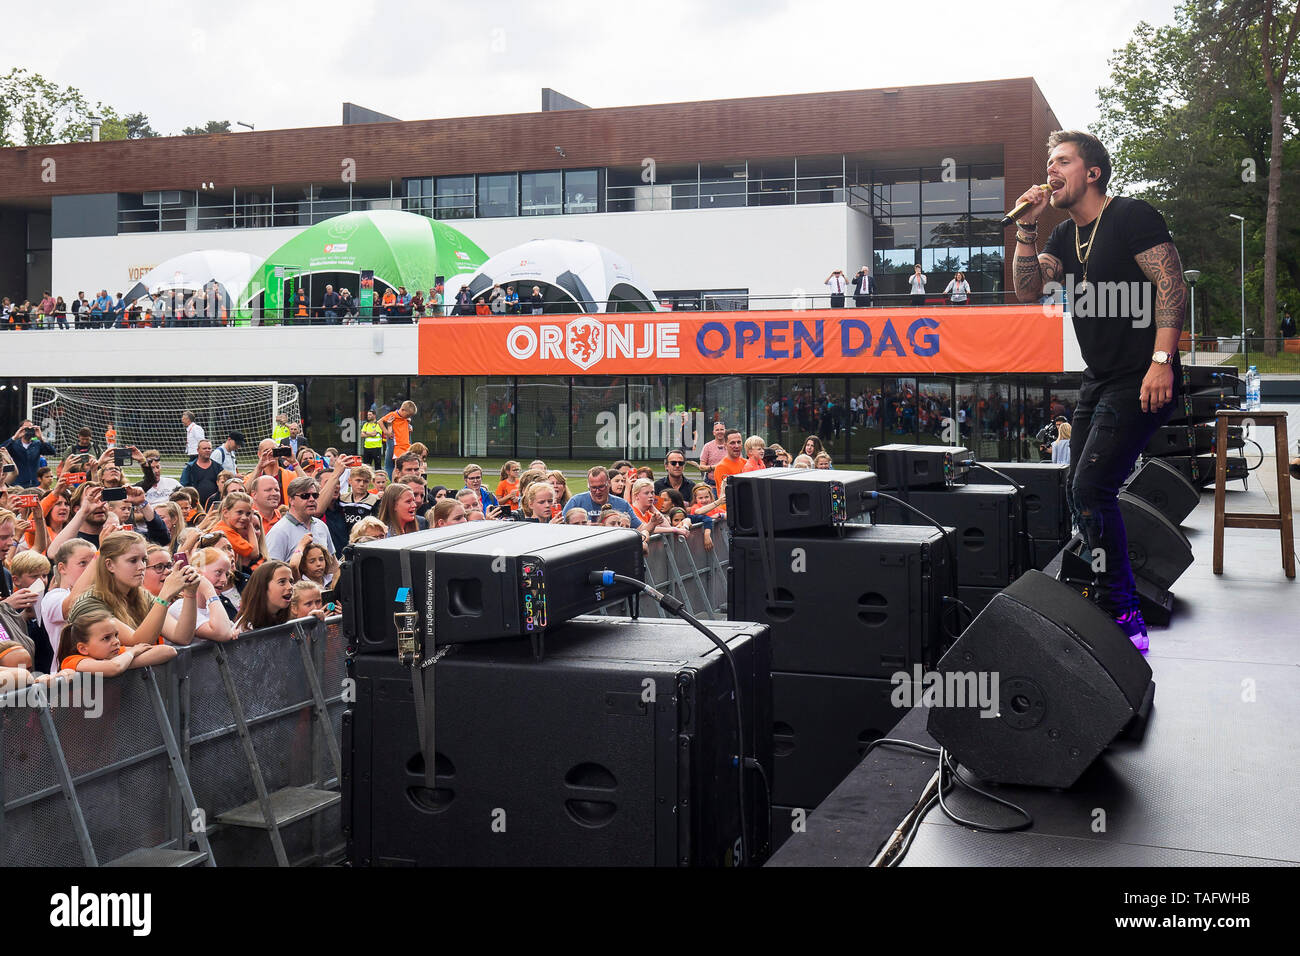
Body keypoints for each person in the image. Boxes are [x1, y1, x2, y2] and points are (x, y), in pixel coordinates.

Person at [1011, 129, 1187, 652]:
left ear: (1092, 172)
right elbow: (1027, 290)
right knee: (1076, 487)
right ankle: (1103, 591)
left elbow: (1172, 285)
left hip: (1141, 374)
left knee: (1092, 488)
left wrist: (1162, 361)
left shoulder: (1132, 216)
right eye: (1049, 162)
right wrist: (1026, 230)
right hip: (1099, 379)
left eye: (1062, 161)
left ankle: (1124, 615)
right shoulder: (1065, 236)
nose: (1051, 170)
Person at [56, 607, 178, 676]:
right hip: (76, 720)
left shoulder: (116, 654)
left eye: (116, 635)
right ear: (83, 648)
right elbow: (114, 668)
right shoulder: (74, 661)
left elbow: (168, 651)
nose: (116, 642)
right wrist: (131, 653)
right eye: (106, 638)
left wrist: (124, 662)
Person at [265, 476, 336, 564]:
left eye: (315, 495)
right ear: (291, 500)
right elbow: (271, 572)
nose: (312, 499)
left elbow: (333, 564)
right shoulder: (279, 532)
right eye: (305, 496)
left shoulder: (321, 525)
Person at [563, 467, 642, 526]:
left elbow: (640, 528)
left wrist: (651, 524)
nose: (597, 491)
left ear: (609, 483)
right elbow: (561, 527)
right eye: (593, 488)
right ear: (588, 485)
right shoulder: (576, 501)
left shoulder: (622, 504)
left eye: (601, 487)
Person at [234, 561, 294, 633]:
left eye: (291, 581)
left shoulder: (289, 618)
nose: (290, 587)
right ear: (263, 587)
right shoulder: (245, 629)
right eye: (282, 582)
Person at [3, 421, 57, 487]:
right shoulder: (14, 444)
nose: (29, 431)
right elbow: (1, 450)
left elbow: (52, 452)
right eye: (26, 429)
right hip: (18, 484)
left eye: (31, 428)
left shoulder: (37, 444)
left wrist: (41, 438)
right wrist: (14, 437)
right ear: (20, 429)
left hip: (35, 483)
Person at [179, 439, 223, 509]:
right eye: (204, 448)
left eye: (209, 448)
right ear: (198, 450)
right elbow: (183, 486)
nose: (207, 450)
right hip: (195, 506)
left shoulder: (218, 467)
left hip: (214, 505)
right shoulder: (189, 468)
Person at [711, 429, 747, 496]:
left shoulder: (746, 463)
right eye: (732, 443)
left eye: (739, 442)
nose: (736, 446)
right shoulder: (721, 467)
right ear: (725, 445)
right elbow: (727, 494)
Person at [698, 421, 729, 487]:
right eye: (717, 430)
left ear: (725, 431)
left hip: (728, 483)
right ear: (714, 433)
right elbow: (701, 467)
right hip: (712, 484)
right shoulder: (708, 446)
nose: (719, 432)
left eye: (722, 429)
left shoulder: (731, 445)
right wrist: (713, 467)